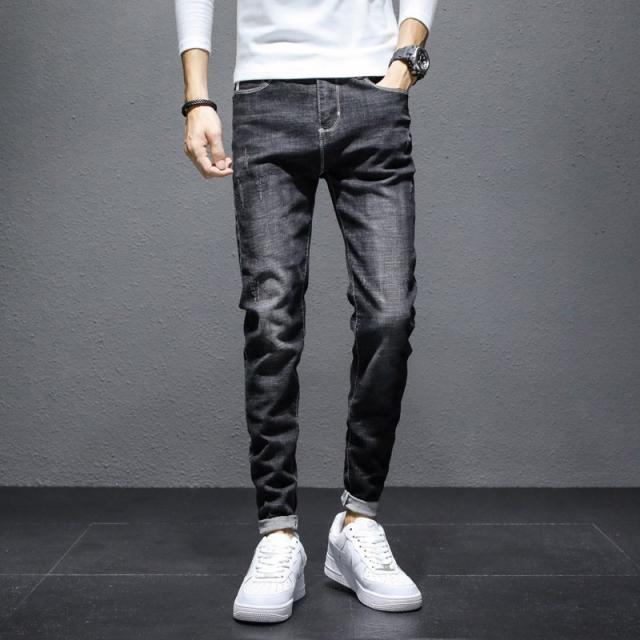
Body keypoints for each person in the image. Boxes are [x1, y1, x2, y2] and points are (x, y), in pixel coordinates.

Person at [175, 0, 438, 624]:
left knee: (389, 314)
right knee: (271, 319)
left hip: (372, 97)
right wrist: (197, 98)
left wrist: (405, 61)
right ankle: (278, 534)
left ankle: (357, 523)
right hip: (266, 98)